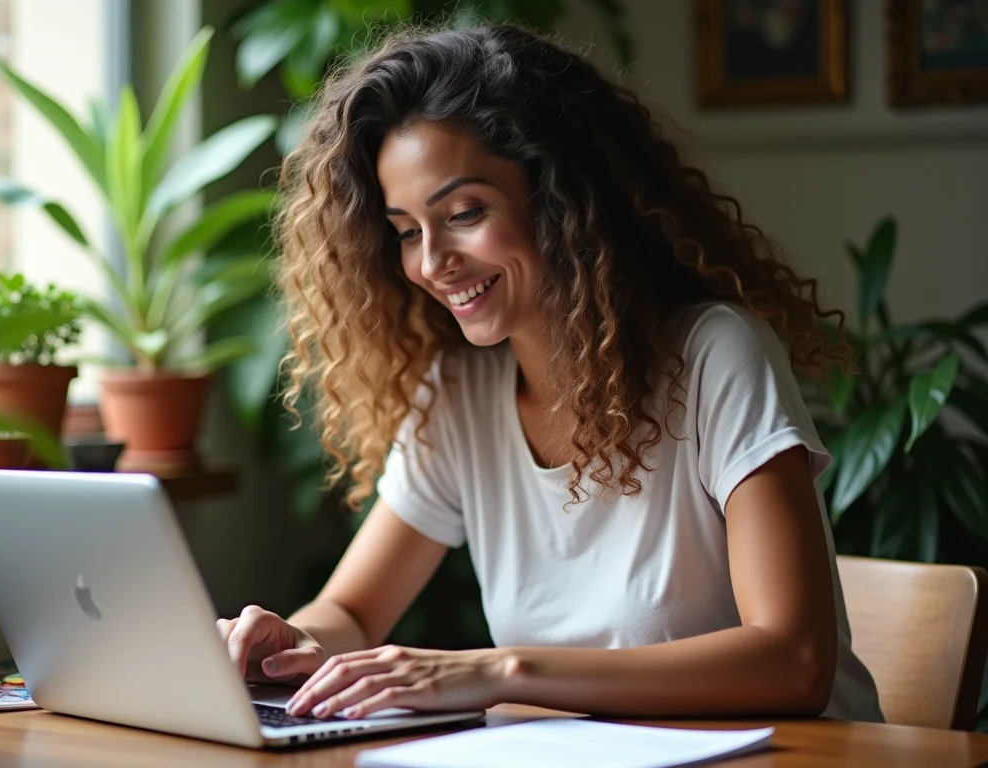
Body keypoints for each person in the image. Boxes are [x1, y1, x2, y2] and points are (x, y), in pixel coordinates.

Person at [217, 23, 884, 724]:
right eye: (408, 230)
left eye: (465, 212)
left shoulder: (717, 355)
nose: (433, 261)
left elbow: (794, 663)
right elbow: (351, 611)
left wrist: (499, 672)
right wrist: (292, 643)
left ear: (564, 197)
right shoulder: (460, 393)